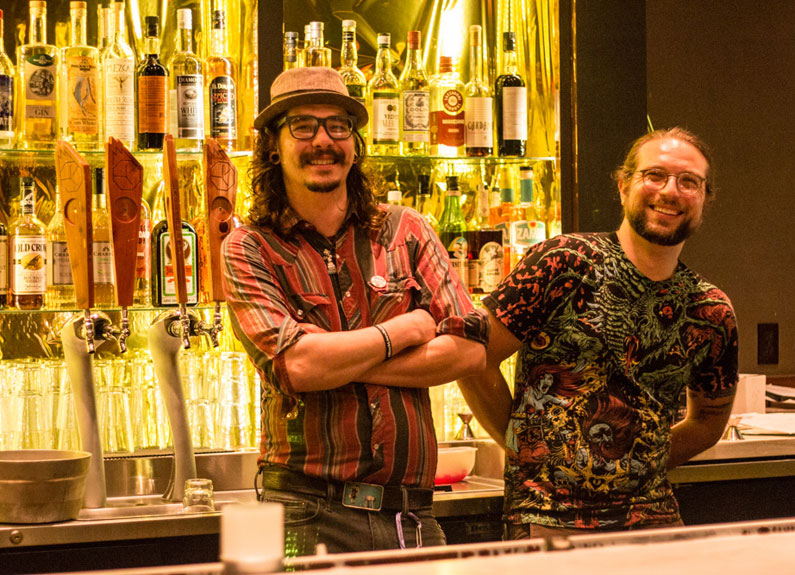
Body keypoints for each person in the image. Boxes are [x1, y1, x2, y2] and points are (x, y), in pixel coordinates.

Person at [221, 66, 489, 554]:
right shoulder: (249, 247)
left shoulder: (406, 229)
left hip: (413, 517)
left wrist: (339, 360)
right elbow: (298, 365)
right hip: (305, 513)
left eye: (338, 126)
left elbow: (471, 352)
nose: (323, 140)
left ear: (354, 143)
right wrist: (404, 329)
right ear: (273, 146)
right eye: (303, 126)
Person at [458, 127, 738, 538]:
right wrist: (530, 453)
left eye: (688, 181)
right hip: (549, 516)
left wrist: (631, 462)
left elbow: (709, 421)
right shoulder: (562, 263)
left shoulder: (710, 310)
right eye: (654, 175)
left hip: (653, 519)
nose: (670, 191)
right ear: (623, 185)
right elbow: (473, 359)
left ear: (705, 199)